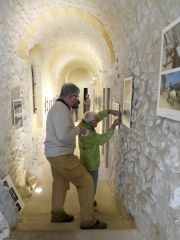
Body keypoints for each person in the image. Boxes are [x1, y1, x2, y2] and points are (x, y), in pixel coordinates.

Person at [44, 83, 107, 229]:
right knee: (86, 182)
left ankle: (57, 214)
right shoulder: (61, 110)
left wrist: (76, 129)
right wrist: (78, 129)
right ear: (70, 96)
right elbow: (62, 135)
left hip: (54, 154)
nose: (77, 100)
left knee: (60, 184)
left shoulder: (60, 108)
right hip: (61, 154)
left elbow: (63, 131)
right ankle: (88, 220)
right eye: (76, 97)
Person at [78, 110, 121, 205]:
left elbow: (97, 117)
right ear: (91, 122)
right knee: (91, 185)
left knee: (86, 183)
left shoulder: (83, 123)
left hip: (84, 160)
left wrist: (110, 111)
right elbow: (102, 139)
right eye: (96, 122)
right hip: (91, 163)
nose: (97, 123)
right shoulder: (88, 133)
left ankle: (88, 201)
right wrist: (113, 126)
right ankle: (88, 204)